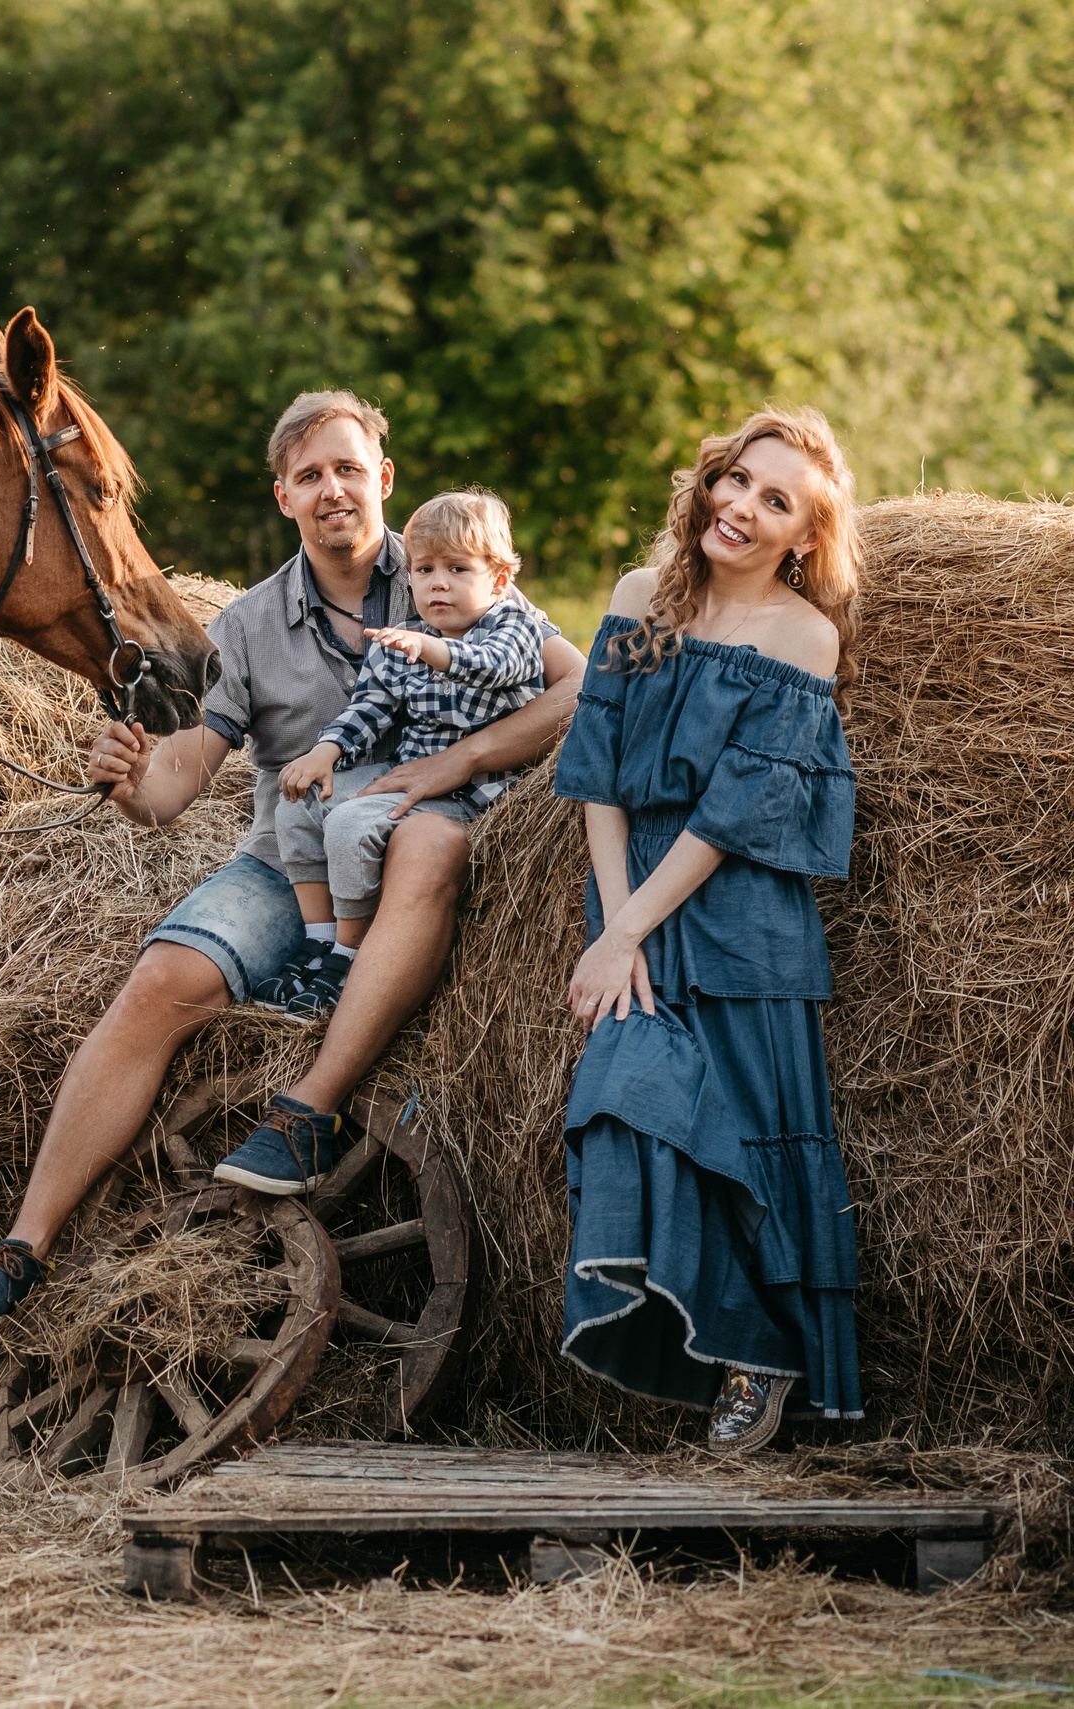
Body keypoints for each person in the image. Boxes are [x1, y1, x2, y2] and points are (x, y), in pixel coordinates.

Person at [0, 392, 585, 1329]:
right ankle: (20, 1252)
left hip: (425, 830)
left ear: (384, 481)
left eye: (349, 469)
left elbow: (580, 685)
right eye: (310, 476)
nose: (333, 491)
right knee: (161, 978)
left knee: (431, 838)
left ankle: (305, 1112)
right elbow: (174, 790)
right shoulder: (245, 626)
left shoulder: (453, 564)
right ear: (283, 497)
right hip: (294, 862)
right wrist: (130, 778)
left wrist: (463, 759)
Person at [552, 407, 862, 1451]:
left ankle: (761, 1357)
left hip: (735, 926)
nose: (740, 506)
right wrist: (612, 924)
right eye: (736, 479)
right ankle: (727, 1341)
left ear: (803, 538)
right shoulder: (645, 599)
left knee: (739, 1142)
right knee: (627, 1103)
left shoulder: (801, 636)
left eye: (775, 500)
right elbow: (597, 769)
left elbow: (733, 813)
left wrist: (629, 926)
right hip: (630, 898)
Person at [262, 489, 551, 1032]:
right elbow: (368, 710)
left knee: (349, 824)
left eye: (457, 568)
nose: (438, 582)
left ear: (498, 579)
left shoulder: (515, 629)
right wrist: (325, 752)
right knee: (297, 807)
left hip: (473, 793)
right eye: (424, 569)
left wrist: (433, 652)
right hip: (410, 774)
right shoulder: (403, 640)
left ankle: (348, 957)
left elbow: (492, 666)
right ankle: (318, 942)